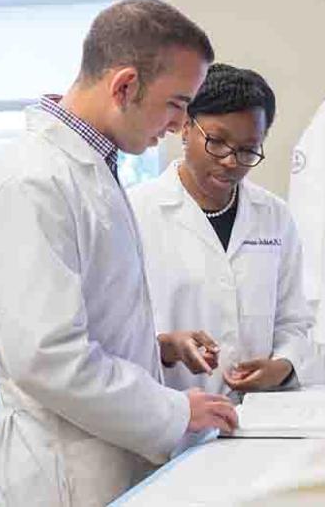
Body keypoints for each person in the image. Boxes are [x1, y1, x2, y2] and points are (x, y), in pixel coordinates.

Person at [0, 0, 237, 507]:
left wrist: (155, 344)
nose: (181, 126)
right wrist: (174, 412)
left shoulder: (90, 168)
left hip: (105, 455)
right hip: (65, 470)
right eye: (178, 105)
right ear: (125, 86)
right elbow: (48, 357)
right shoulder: (31, 180)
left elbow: (89, 314)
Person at [128, 63, 313, 397]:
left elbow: (294, 321)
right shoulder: (136, 213)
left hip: (259, 420)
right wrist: (167, 348)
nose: (231, 161)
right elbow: (116, 337)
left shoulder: (274, 216)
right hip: (171, 422)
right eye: (216, 141)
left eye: (247, 149)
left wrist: (283, 365)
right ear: (185, 126)